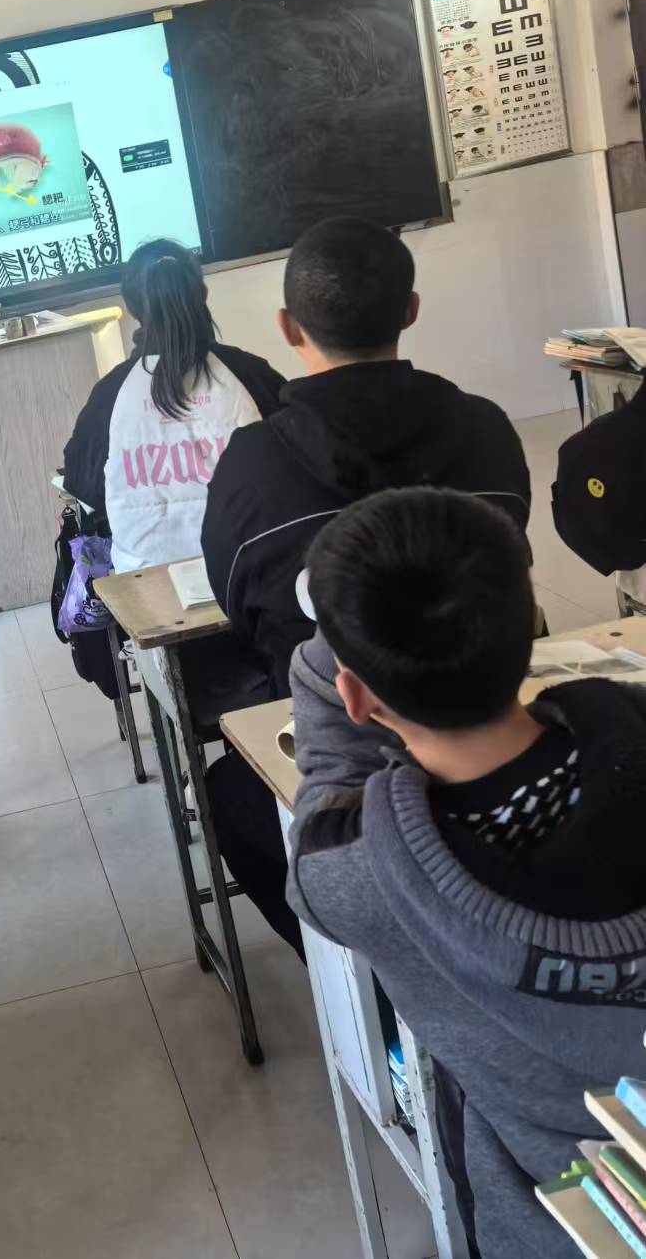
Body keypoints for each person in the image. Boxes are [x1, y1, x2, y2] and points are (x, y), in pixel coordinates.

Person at [288, 487, 646, 1259]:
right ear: (530, 622)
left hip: (555, 1223)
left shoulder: (353, 873)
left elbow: (324, 792)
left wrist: (338, 642)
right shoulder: (629, 722)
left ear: (356, 696)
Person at [200, 216, 531, 956]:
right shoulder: (485, 429)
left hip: (335, 745)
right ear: (409, 310)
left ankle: (350, 977)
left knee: (227, 794)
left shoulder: (250, 464)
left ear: (288, 327)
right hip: (499, 724)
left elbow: (239, 611)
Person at [63, 239, 286, 572]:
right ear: (202, 293)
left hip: (146, 580)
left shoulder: (110, 393)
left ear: (132, 308)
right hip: (253, 572)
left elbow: (84, 486)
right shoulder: (252, 374)